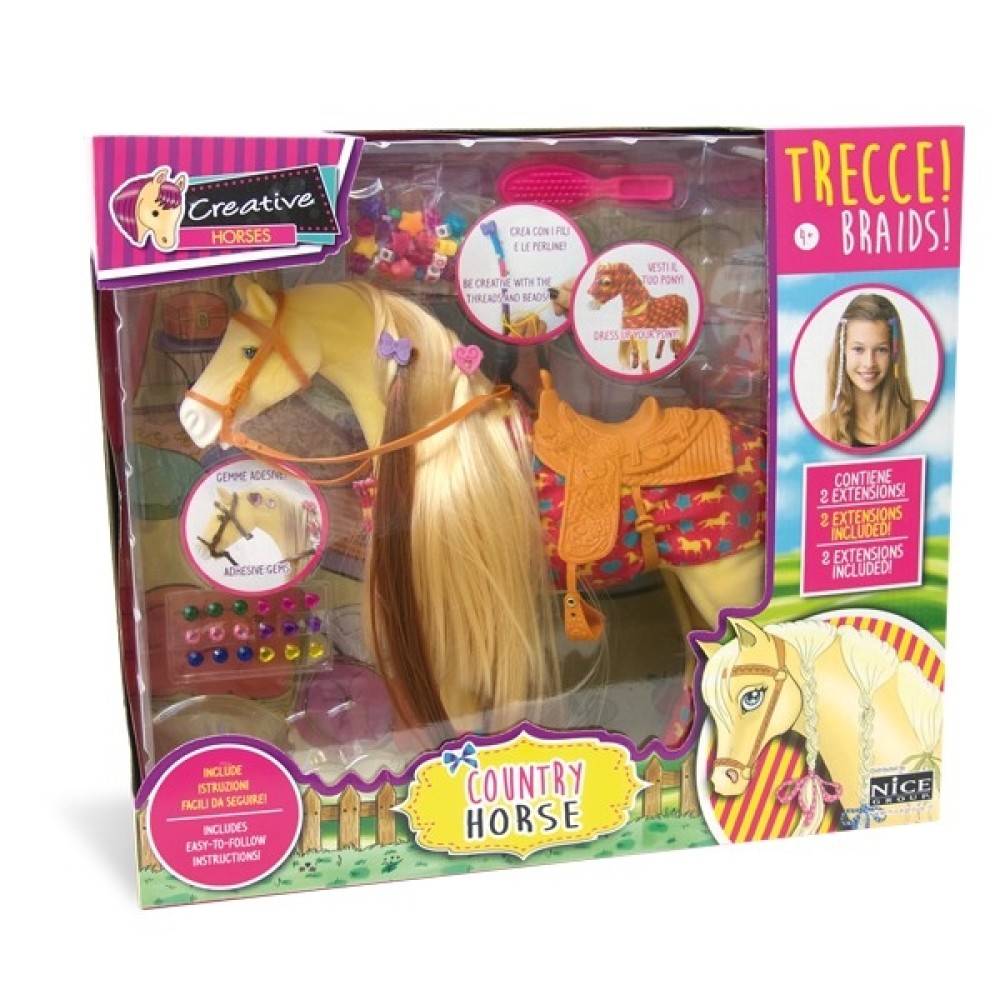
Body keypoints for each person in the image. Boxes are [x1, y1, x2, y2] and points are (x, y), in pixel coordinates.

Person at [812, 293, 928, 447]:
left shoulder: (922, 418)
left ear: (894, 354)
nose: (869, 363)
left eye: (881, 350)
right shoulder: (820, 432)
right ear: (842, 352)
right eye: (858, 349)